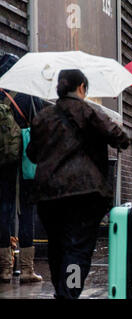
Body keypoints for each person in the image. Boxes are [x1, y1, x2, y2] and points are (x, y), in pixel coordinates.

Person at [26, 69, 129, 298]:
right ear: (82, 86)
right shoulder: (90, 112)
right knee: (77, 248)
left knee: (57, 246)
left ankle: (63, 290)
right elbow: (120, 138)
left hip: (49, 194)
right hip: (86, 193)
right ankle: (69, 292)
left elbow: (32, 154)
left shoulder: (42, 117)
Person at [0, 53, 44, 284]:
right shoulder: (28, 94)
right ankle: (27, 269)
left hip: (2, 161)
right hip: (25, 161)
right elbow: (40, 125)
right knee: (26, 212)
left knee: (3, 210)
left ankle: (4, 269)